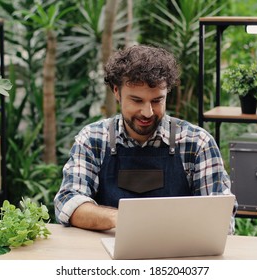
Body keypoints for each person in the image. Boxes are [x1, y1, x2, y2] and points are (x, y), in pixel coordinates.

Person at [54, 45, 236, 232]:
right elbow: (68, 203)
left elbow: (221, 220)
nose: (147, 112)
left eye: (157, 101)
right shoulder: (93, 139)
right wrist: (125, 219)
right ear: (116, 91)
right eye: (137, 100)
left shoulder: (197, 143)